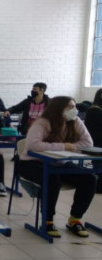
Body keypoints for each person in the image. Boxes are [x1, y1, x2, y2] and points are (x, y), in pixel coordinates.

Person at [19, 96, 96, 238]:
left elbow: (88, 143)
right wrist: (63, 146)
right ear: (59, 108)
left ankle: (75, 219)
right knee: (52, 180)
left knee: (89, 179)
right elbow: (33, 145)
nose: (75, 110)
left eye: (75, 106)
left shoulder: (75, 121)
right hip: (32, 163)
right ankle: (47, 221)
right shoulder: (42, 123)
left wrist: (70, 147)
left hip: (59, 163)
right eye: (70, 107)